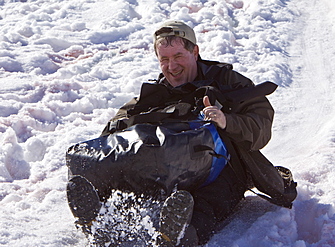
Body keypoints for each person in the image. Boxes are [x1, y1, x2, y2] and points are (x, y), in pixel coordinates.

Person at [67, 20, 297, 246]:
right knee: (126, 174)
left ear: (195, 52)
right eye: (164, 60)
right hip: (167, 167)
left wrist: (226, 120)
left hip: (222, 166)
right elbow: (117, 122)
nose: (171, 67)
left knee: (208, 200)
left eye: (178, 57)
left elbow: (261, 124)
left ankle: (180, 236)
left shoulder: (227, 81)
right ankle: (100, 221)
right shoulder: (156, 91)